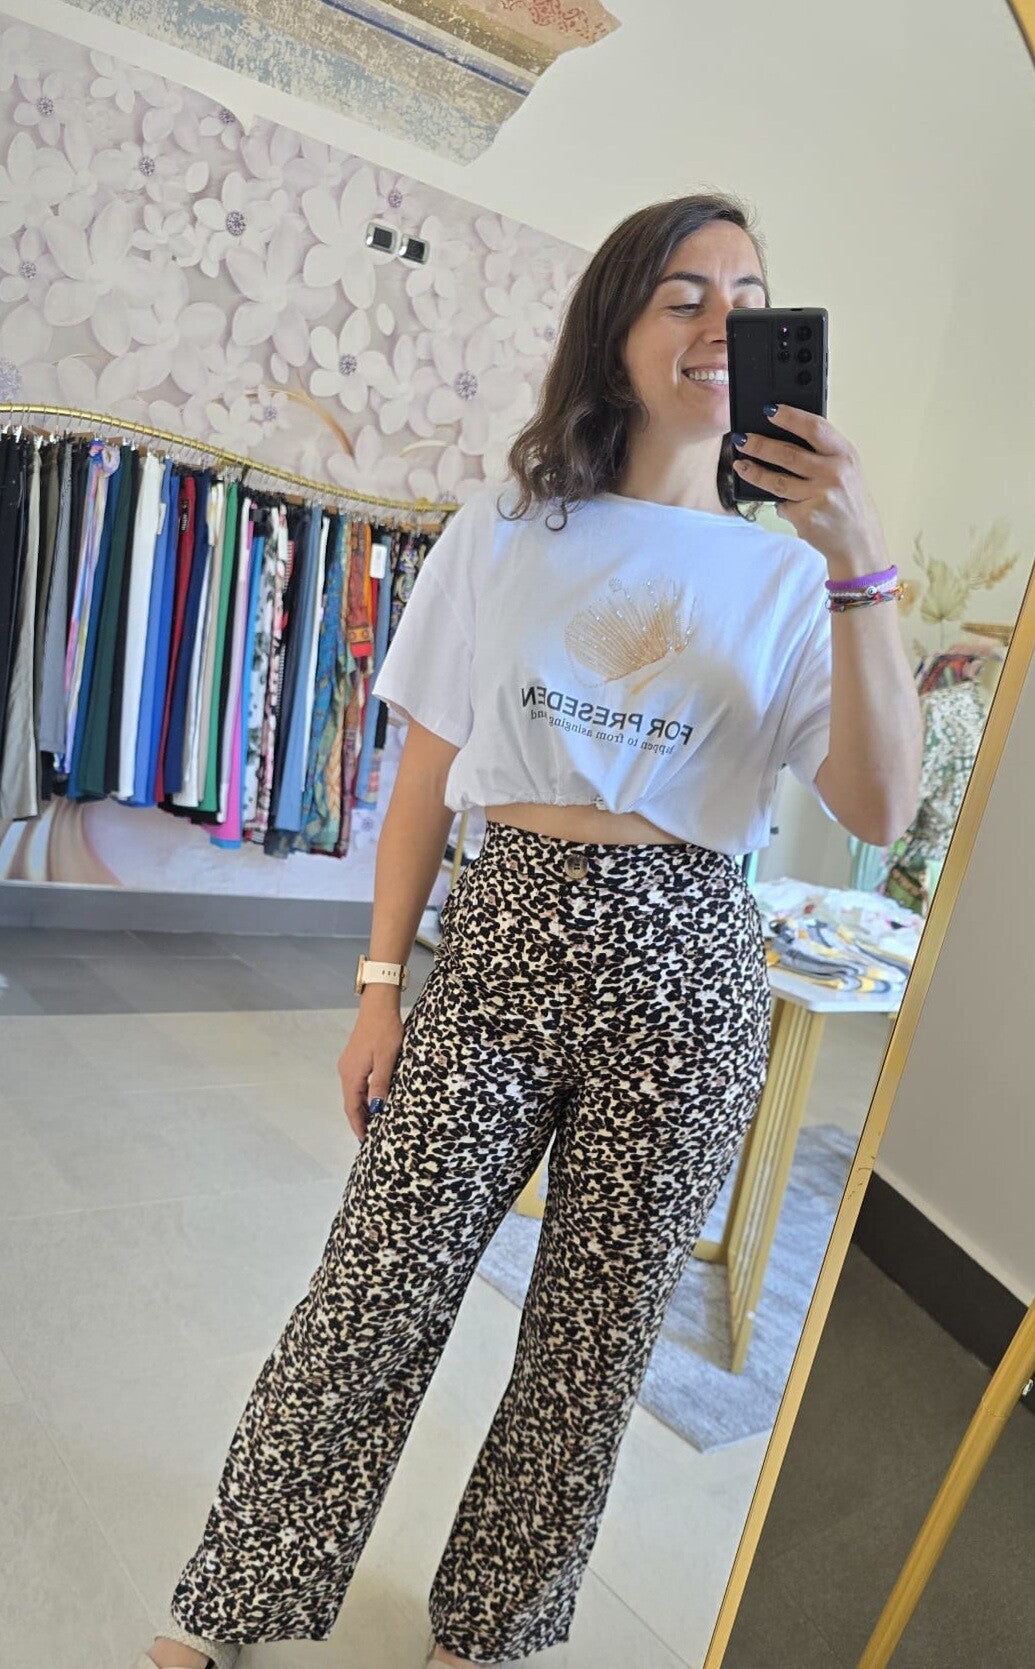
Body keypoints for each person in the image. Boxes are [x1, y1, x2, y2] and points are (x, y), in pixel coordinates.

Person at [138, 192, 921, 1669]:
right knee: (370, 1298)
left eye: (750, 301)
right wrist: (379, 986)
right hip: (502, 932)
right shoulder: (508, 525)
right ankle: (234, 1593)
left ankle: (485, 1633)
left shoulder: (793, 576)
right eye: (685, 295)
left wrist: (858, 556)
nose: (721, 327)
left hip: (688, 963)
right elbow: (424, 774)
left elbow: (880, 803)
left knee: (589, 1351)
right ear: (615, 325)